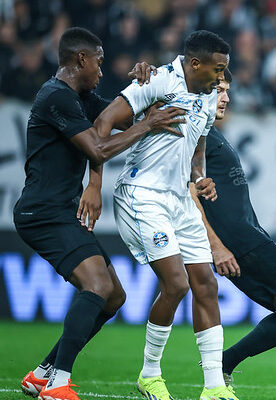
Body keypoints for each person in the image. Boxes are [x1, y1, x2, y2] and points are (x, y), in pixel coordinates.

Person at [15, 27, 183, 400]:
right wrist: (146, 124)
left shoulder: (79, 97)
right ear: (81, 60)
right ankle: (58, 384)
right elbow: (100, 149)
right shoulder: (55, 97)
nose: (102, 72)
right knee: (98, 286)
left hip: (59, 211)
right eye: (99, 63)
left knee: (113, 297)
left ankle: (42, 373)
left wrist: (149, 81)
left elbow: (125, 116)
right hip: (43, 212)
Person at [91, 30, 236, 400]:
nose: (221, 80)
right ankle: (150, 374)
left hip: (179, 199)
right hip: (143, 195)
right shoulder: (155, 80)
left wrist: (202, 179)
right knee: (176, 284)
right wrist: (93, 186)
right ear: (194, 63)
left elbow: (197, 147)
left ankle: (215, 387)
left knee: (206, 284)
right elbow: (103, 124)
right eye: (217, 70)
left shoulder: (206, 97)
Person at [189, 70, 276, 400]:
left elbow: (198, 184)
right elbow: (187, 192)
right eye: (218, 90)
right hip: (237, 240)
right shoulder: (192, 131)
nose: (226, 97)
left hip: (245, 234)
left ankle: (225, 362)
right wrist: (216, 245)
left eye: (227, 90)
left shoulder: (207, 132)